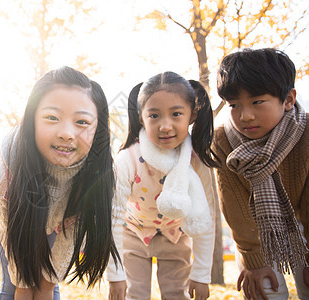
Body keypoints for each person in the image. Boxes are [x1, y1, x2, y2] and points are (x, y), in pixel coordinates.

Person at [0, 66, 121, 300]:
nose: (67, 133)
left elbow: (66, 244)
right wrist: (23, 284)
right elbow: (11, 234)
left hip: (61, 222)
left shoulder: (96, 174)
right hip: (17, 219)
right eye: (52, 118)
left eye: (81, 122)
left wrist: (48, 284)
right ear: (32, 120)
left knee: (47, 285)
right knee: (18, 285)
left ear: (97, 128)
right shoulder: (7, 171)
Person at [107, 71, 219, 300]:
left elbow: (205, 217)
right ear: (141, 117)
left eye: (176, 114)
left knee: (177, 294)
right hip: (133, 233)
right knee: (134, 294)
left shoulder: (197, 163)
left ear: (192, 115)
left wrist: (201, 274)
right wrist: (115, 275)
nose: (165, 126)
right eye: (154, 116)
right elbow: (113, 217)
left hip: (175, 235)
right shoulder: (128, 159)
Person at [213, 47, 309, 300]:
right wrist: (253, 261)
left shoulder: (306, 133)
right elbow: (234, 207)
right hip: (255, 230)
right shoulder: (223, 139)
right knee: (264, 290)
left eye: (257, 102)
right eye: (234, 105)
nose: (245, 115)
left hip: (303, 221)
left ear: (288, 100)